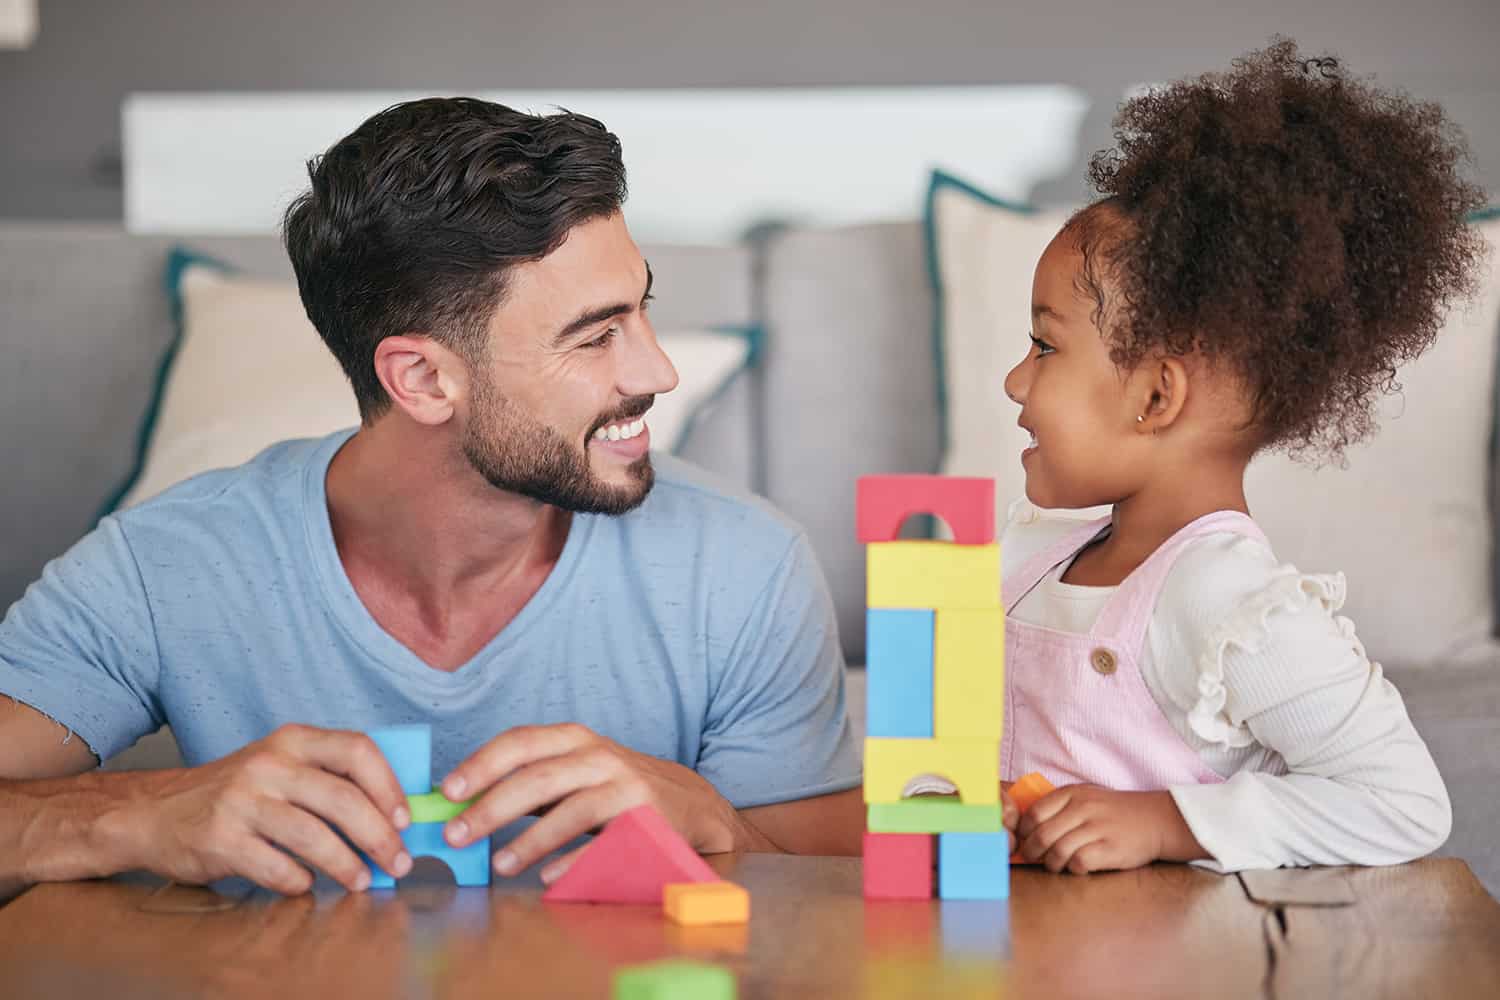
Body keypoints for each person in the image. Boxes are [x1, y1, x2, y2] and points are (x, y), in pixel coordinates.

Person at [0, 97, 862, 902]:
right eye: (597, 336)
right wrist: (138, 816)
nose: (655, 371)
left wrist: (716, 824)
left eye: (640, 312)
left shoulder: (742, 563)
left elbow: (843, 891)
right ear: (419, 378)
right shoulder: (165, 565)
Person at [997, 39, 1484, 874]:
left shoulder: (1226, 600)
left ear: (1156, 397)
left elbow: (1403, 803)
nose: (1014, 381)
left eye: (1044, 347)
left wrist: (1167, 824)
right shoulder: (1041, 559)